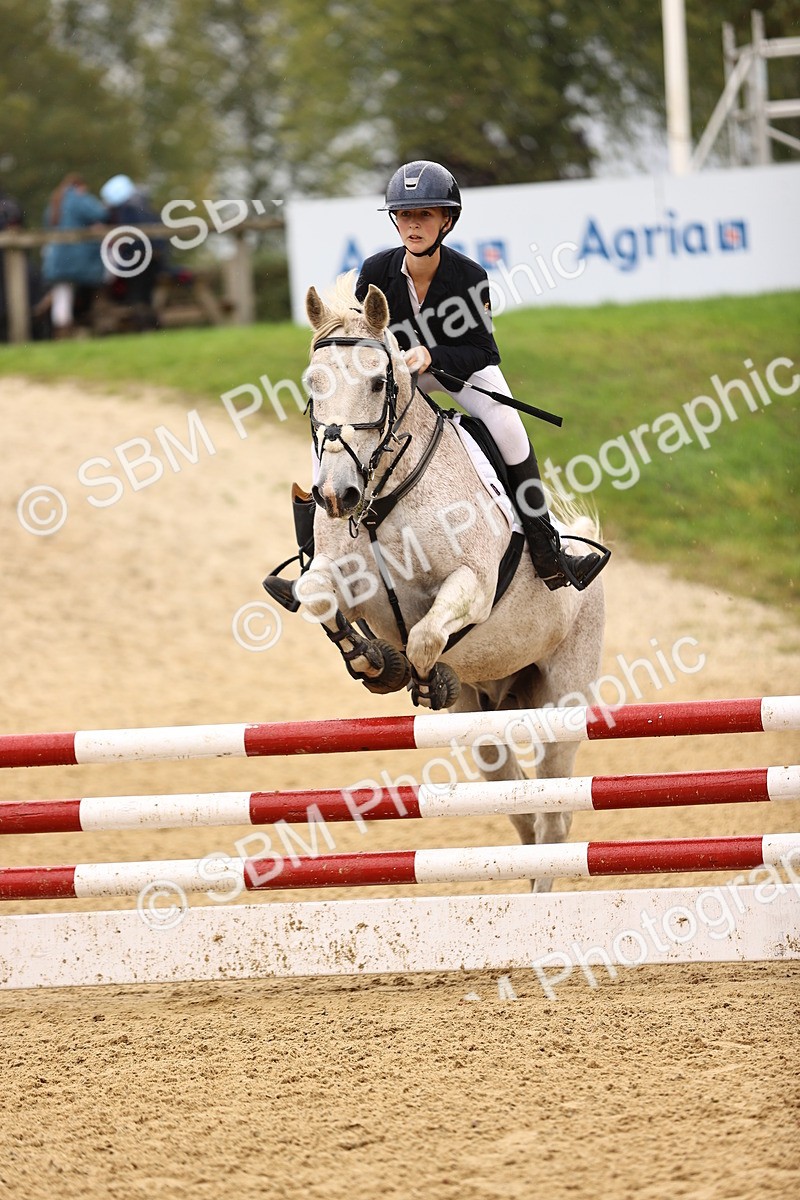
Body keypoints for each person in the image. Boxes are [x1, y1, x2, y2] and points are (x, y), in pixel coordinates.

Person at [264, 159, 608, 612]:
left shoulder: (470, 277)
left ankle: (548, 549)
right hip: (396, 373)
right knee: (330, 435)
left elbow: (483, 351)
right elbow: (364, 337)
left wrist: (433, 356)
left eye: (424, 214)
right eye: (405, 215)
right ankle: (312, 562)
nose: (413, 224)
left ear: (446, 220)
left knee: (508, 427)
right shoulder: (377, 269)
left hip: (458, 369)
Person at [42, 174, 107, 337]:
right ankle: (88, 325)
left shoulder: (54, 203)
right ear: (80, 186)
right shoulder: (78, 198)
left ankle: (62, 329)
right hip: (79, 256)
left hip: (57, 258)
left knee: (62, 293)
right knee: (93, 287)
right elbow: (100, 213)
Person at [100, 174, 166, 330]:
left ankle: (144, 325)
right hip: (152, 256)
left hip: (137, 257)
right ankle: (149, 325)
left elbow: (128, 236)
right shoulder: (143, 205)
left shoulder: (128, 209)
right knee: (145, 294)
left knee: (137, 295)